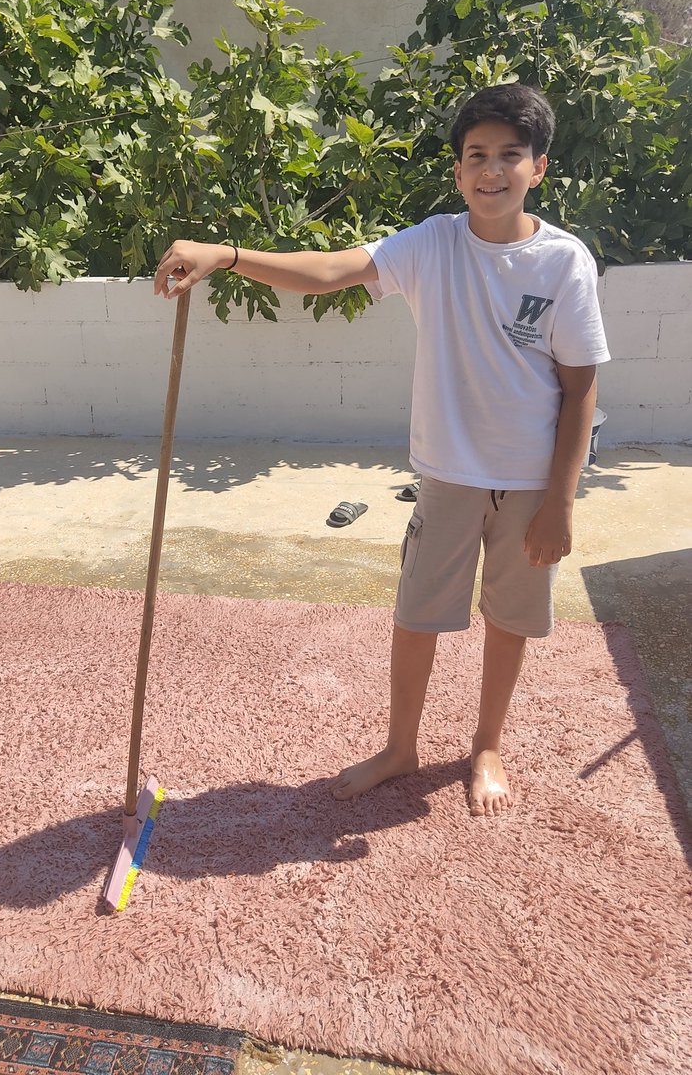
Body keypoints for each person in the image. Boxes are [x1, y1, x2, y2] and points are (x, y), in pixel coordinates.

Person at [152, 83, 610, 818]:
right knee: (418, 613)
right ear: (459, 171)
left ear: (539, 168)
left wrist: (560, 501)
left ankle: (485, 744)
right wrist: (227, 255)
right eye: (476, 156)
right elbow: (331, 270)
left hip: (529, 484)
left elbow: (580, 386)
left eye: (509, 156)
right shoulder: (430, 244)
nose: (492, 171)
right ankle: (402, 747)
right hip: (447, 475)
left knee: (510, 619)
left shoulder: (564, 262)